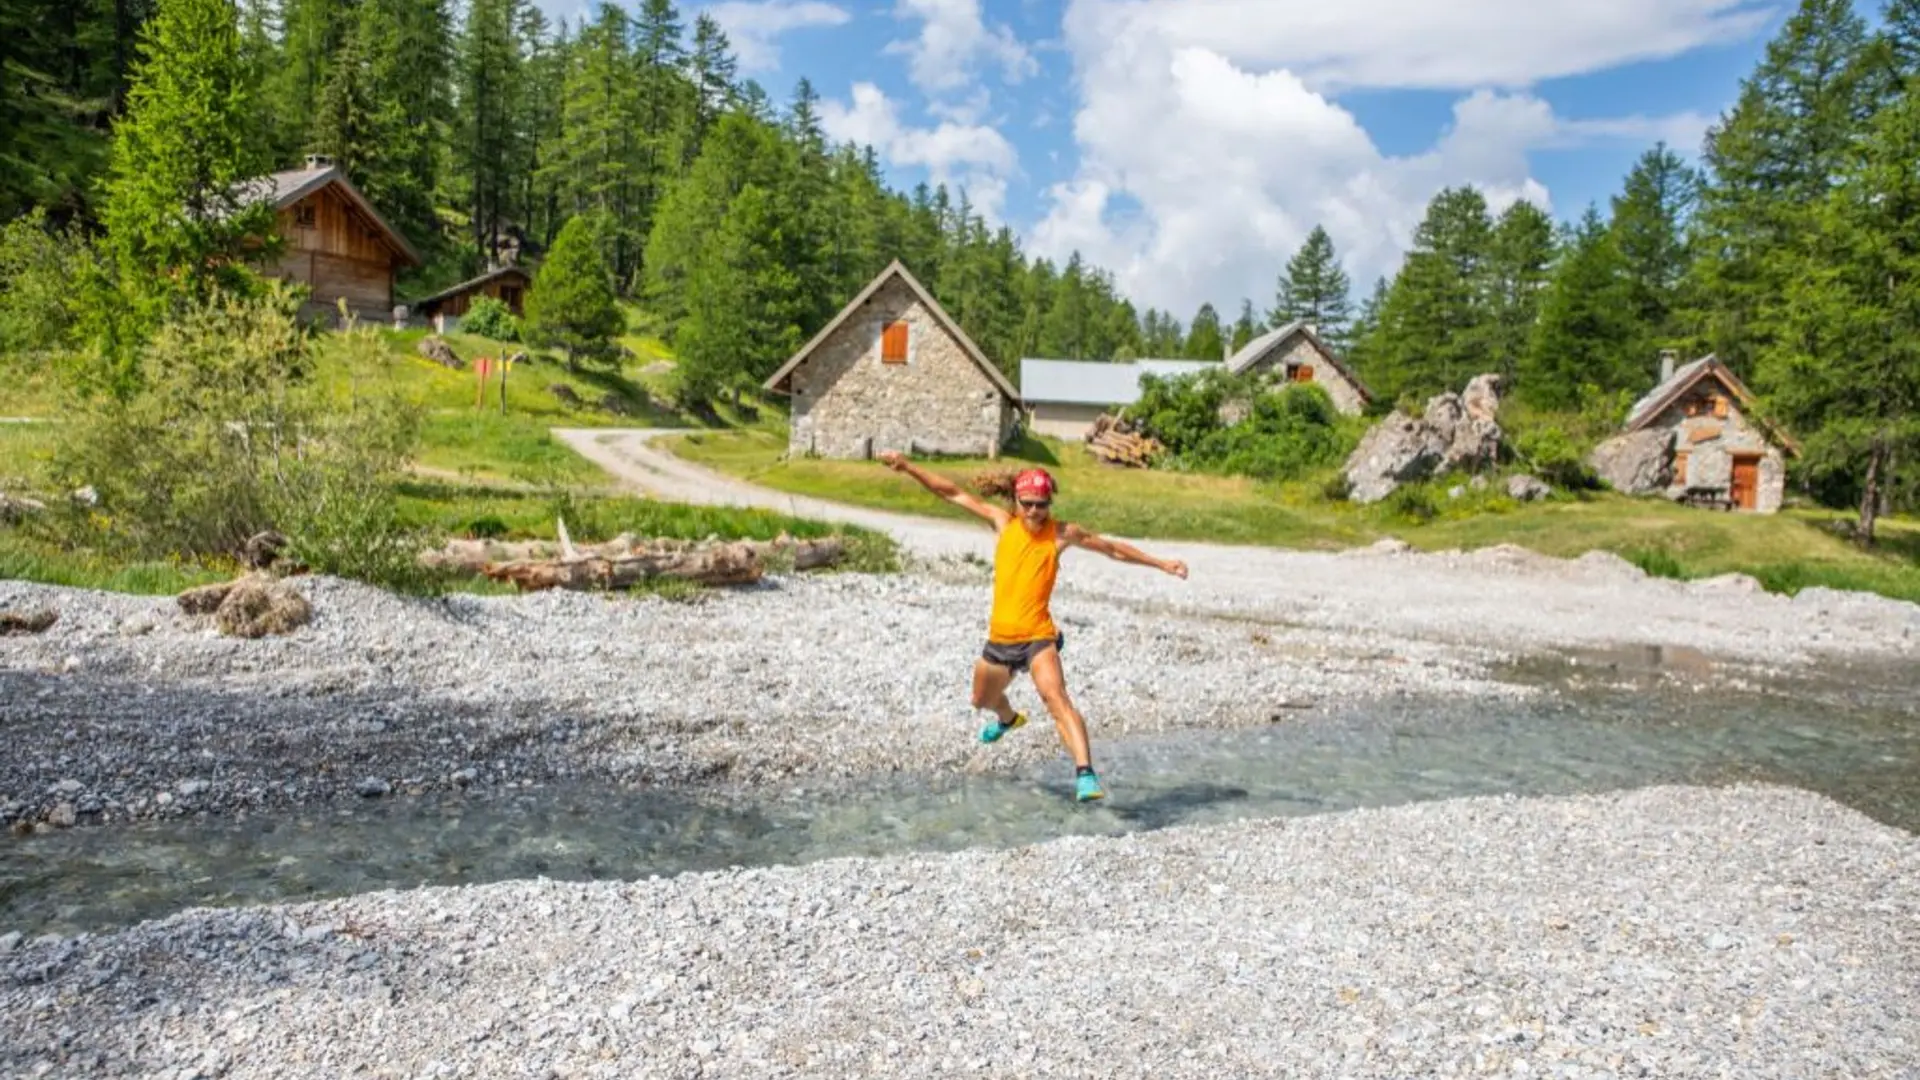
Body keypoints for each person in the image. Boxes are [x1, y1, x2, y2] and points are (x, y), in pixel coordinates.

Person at [877, 450, 1189, 802]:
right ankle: (1009, 719)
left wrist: (1161, 563)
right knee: (981, 700)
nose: (1034, 511)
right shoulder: (1001, 522)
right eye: (1027, 503)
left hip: (1039, 637)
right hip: (1000, 639)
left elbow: (1112, 549)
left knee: (1056, 698)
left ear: (1049, 502)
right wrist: (907, 467)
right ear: (1016, 500)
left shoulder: (1061, 534)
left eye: (1041, 504)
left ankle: (1085, 774)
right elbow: (951, 492)